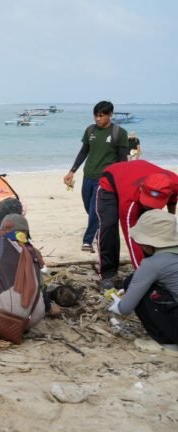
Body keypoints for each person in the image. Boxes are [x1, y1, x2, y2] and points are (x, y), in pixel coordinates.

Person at [96, 160, 178, 289]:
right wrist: (144, 275)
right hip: (110, 183)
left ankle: (152, 263)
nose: (148, 206)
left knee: (150, 224)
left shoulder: (173, 181)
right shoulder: (131, 201)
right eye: (147, 203)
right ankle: (107, 273)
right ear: (141, 190)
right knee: (109, 226)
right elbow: (131, 238)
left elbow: (173, 198)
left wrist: (171, 215)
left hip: (140, 177)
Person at [108, 210, 178, 354]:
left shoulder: (152, 264)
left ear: (147, 242)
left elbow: (124, 309)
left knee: (134, 283)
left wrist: (115, 304)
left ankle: (166, 342)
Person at [63, 101, 129, 252]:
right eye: (95, 115)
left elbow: (123, 160)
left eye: (101, 115)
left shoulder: (119, 133)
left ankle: (88, 240)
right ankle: (100, 229)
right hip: (88, 176)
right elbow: (83, 152)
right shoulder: (90, 130)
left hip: (105, 179)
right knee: (89, 207)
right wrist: (72, 171)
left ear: (110, 115)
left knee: (95, 209)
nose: (97, 119)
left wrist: (121, 182)